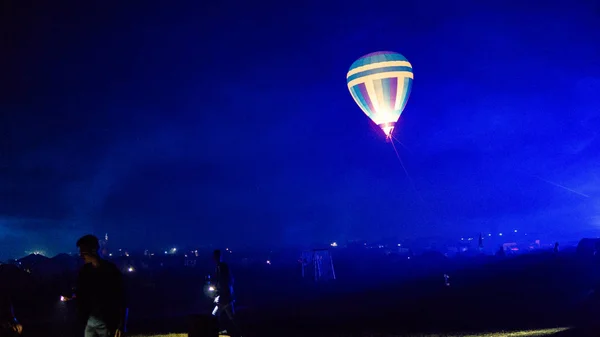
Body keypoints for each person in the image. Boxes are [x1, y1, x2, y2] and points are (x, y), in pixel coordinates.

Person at [75, 234, 128, 337]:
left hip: (107, 324)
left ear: (94, 250)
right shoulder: (84, 271)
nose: (81, 255)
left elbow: (122, 298)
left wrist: (121, 325)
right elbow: (83, 293)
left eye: (83, 252)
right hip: (90, 323)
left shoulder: (110, 271)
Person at [212, 249, 240, 336]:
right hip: (225, 296)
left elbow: (224, 280)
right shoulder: (220, 266)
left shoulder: (222, 267)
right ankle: (235, 331)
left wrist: (220, 290)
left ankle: (236, 331)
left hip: (225, 296)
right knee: (225, 315)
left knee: (218, 314)